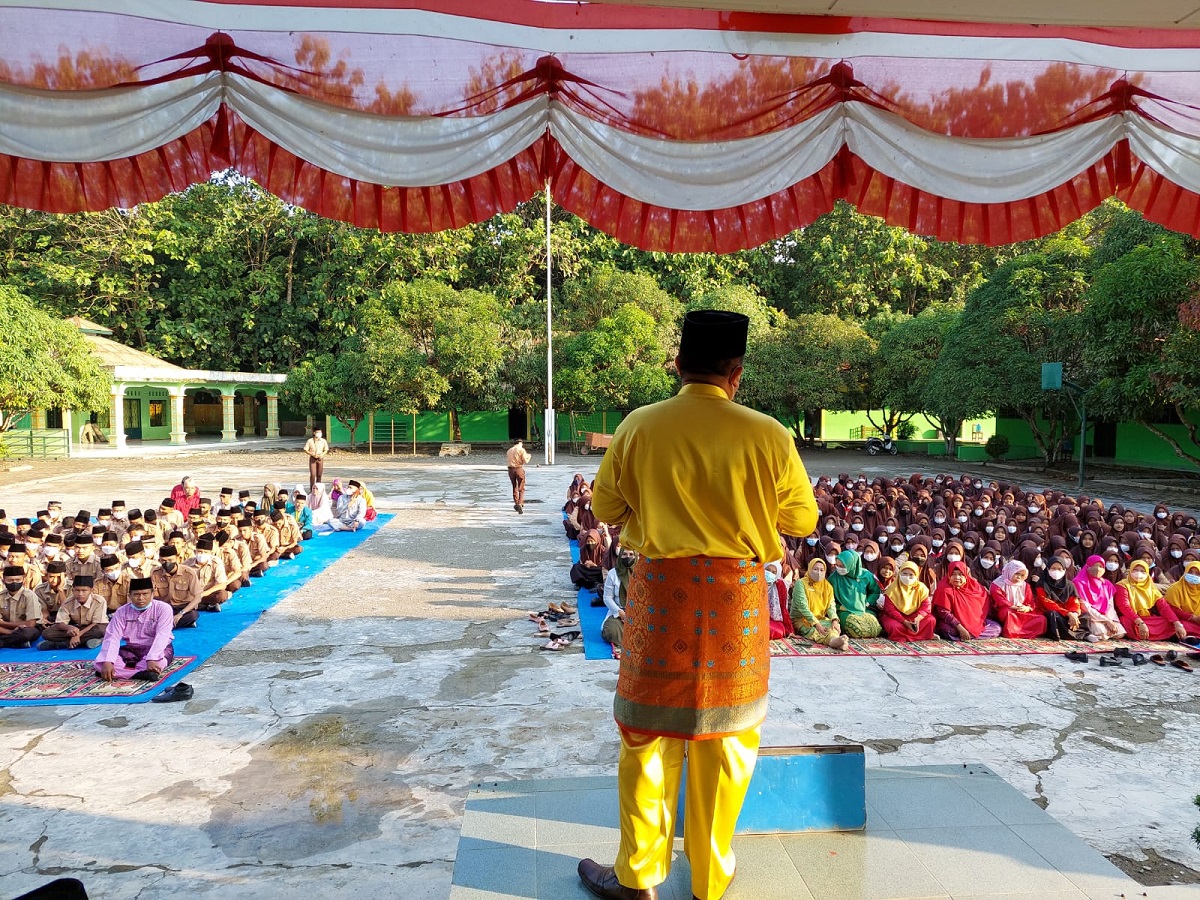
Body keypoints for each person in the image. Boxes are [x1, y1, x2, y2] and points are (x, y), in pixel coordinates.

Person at [582, 310, 818, 900]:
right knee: (728, 737)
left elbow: (607, 509)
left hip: (660, 596)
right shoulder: (770, 434)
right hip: (736, 600)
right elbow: (802, 519)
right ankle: (711, 879)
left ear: (679, 367)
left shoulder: (640, 425)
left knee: (646, 736)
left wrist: (653, 511)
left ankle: (639, 876)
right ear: (735, 374)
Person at [94, 577, 174, 682]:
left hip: (158, 648)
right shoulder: (121, 611)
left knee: (157, 664)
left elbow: (162, 635)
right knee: (99, 664)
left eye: (145, 594)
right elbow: (112, 636)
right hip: (132, 648)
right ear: (129, 596)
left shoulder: (163, 608)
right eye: (136, 595)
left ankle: (123, 673)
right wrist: (108, 661)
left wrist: (152, 658)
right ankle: (139, 674)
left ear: (152, 594)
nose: (141, 598)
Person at [1114, 559, 1183, 642]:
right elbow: (1124, 607)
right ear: (1130, 571)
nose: (1138, 573)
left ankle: (1152, 634)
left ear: (1147, 574)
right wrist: (1140, 623)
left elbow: (1163, 606)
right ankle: (1155, 635)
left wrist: (1177, 623)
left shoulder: (1150, 587)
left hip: (1147, 618)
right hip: (1132, 618)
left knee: (1167, 622)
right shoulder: (1123, 585)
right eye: (1135, 570)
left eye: (1143, 571)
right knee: (1125, 621)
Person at [789, 558, 849, 651]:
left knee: (832, 627)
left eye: (822, 570)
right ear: (809, 569)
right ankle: (834, 642)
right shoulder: (800, 584)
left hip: (820, 619)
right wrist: (816, 624)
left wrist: (834, 620)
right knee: (815, 631)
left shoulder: (827, 586)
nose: (819, 573)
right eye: (815, 569)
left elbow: (830, 606)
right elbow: (803, 607)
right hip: (801, 620)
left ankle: (838, 642)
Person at [932, 561, 1000, 641]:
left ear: (965, 575)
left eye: (960, 574)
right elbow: (944, 613)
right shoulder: (944, 589)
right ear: (949, 575)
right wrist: (960, 628)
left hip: (973, 622)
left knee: (997, 628)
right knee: (949, 631)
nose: (957, 577)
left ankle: (968, 634)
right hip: (952, 624)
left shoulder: (972, 585)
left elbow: (983, 599)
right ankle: (967, 634)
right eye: (953, 574)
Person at [40, 575, 108, 650]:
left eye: (84, 590)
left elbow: (96, 623)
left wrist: (77, 635)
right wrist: (69, 627)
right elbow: (60, 622)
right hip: (77, 628)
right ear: (72, 590)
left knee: (100, 631)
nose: (80, 594)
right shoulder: (68, 602)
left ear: (91, 590)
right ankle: (86, 642)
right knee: (47, 633)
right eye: (77, 590)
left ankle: (63, 644)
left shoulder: (99, 601)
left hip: (93, 627)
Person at [829, 550, 882, 638]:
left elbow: (875, 591)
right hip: (844, 611)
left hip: (863, 609)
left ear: (852, 564)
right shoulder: (833, 578)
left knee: (875, 628)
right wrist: (839, 607)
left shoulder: (865, 575)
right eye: (837, 565)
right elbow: (828, 598)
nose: (839, 568)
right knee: (855, 628)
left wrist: (868, 602)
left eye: (842, 566)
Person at [1073, 555, 1126, 641]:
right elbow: (1085, 607)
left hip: (1106, 616)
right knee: (1100, 632)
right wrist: (1106, 621)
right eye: (1094, 565)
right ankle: (1089, 634)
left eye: (1101, 566)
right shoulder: (1079, 582)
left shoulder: (1107, 584)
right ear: (1088, 566)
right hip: (1089, 616)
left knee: (1120, 633)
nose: (1098, 569)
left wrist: (1111, 620)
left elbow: (1110, 606)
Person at [989, 561, 1047, 639]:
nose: (1019, 577)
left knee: (1041, 619)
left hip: (1021, 610)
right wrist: (1013, 606)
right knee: (1008, 614)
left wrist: (1027, 608)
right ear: (1010, 572)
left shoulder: (1025, 586)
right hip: (1008, 609)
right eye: (1017, 574)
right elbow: (1000, 601)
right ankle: (1013, 631)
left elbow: (1030, 601)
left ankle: (1022, 632)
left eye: (1022, 575)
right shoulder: (997, 584)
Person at [880, 561, 935, 641]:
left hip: (915, 616)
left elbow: (926, 606)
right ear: (899, 574)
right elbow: (890, 610)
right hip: (897, 618)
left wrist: (918, 618)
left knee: (931, 620)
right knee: (894, 626)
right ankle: (915, 635)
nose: (907, 577)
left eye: (911, 575)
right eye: (904, 574)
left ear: (916, 576)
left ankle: (915, 634)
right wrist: (904, 622)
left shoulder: (921, 588)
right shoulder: (892, 589)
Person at [151, 545, 202, 628]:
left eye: (170, 560)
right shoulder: (155, 573)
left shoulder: (189, 573)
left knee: (192, 615)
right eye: (163, 560)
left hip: (183, 607)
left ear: (177, 558)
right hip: (165, 606)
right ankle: (172, 623)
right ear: (159, 560)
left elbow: (197, 598)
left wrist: (181, 613)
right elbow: (153, 595)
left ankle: (164, 625)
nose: (167, 563)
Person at [601, 544, 637, 659]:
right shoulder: (613, 573)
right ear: (620, 555)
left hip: (638, 611)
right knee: (610, 631)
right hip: (619, 611)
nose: (628, 557)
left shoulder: (642, 573)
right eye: (624, 554)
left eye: (631, 554)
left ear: (636, 556)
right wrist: (619, 612)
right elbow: (607, 598)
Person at [0, 565, 46, 648]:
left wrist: (3, 623)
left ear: (23, 580)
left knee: (26, 634)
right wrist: (10, 632)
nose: (14, 582)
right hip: (8, 630)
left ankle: (4, 642)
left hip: (27, 629)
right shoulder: (1, 596)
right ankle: (16, 642)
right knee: (18, 635)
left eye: (18, 580)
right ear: (4, 581)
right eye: (10, 580)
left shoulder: (30, 595)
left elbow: (31, 624)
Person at [765, 561, 793, 640]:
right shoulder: (754, 582)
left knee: (778, 631)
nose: (770, 574)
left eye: (774, 572)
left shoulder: (780, 585)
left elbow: (783, 609)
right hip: (756, 617)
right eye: (768, 570)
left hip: (773, 619)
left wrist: (789, 630)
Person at [506, 438, 532, 514]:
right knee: (521, 487)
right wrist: (529, 456)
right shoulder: (521, 450)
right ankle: (520, 503)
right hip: (519, 468)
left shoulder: (509, 450)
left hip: (510, 470)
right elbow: (526, 461)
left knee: (514, 486)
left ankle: (516, 503)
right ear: (520, 443)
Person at [304, 428, 330, 492]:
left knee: (319, 475)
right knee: (313, 474)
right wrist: (312, 454)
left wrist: (322, 455)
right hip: (313, 458)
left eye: (320, 432)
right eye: (317, 432)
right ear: (314, 433)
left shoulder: (323, 441)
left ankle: (318, 488)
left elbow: (326, 450)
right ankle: (312, 489)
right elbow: (305, 449)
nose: (319, 434)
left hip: (320, 458)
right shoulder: (310, 441)